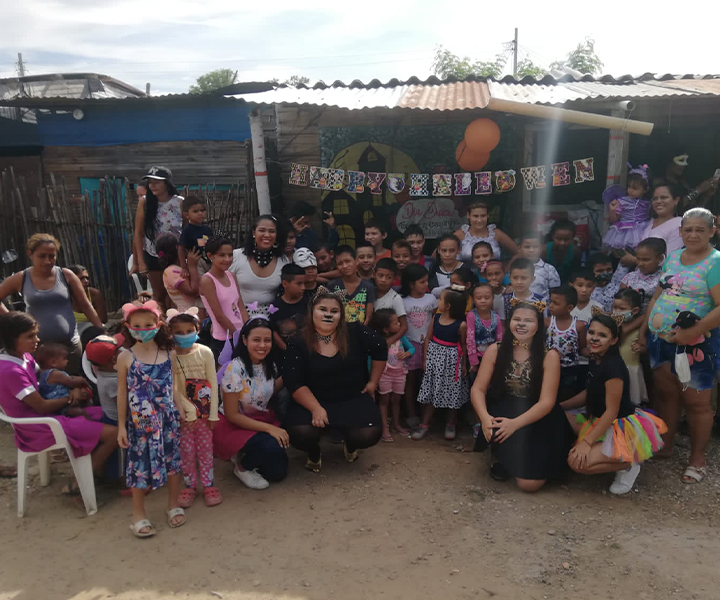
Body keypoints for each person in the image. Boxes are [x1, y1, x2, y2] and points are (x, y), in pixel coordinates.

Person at [638, 207, 720, 484]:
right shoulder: (673, 257)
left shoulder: (715, 262)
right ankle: (666, 444)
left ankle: (697, 458)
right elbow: (657, 296)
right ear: (681, 232)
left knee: (696, 402)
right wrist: (643, 331)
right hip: (661, 340)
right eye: (688, 229)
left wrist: (693, 331)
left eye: (700, 229)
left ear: (712, 231)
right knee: (666, 393)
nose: (693, 234)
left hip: (695, 344)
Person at [0, 312, 117, 497]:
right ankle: (77, 486)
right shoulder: (10, 370)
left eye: (35, 334)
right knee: (113, 433)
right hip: (39, 426)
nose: (37, 340)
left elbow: (48, 380)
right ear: (11, 339)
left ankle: (99, 474)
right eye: (30, 336)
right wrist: (72, 398)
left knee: (106, 415)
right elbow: (41, 407)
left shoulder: (25, 358)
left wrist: (70, 389)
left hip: (50, 415)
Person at [471, 302, 573, 491]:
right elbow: (478, 389)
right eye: (517, 319)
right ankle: (501, 455)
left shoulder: (549, 356)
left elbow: (547, 402)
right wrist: (485, 418)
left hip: (538, 416)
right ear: (509, 322)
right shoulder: (496, 349)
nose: (521, 324)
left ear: (539, 325)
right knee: (497, 426)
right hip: (505, 408)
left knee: (529, 485)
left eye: (528, 321)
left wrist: (515, 424)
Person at [283, 288, 387, 472]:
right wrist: (315, 408)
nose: (328, 315)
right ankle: (313, 451)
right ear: (312, 312)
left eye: (334, 311)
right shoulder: (297, 342)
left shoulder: (355, 332)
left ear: (341, 315)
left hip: (351, 397)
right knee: (301, 432)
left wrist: (373, 382)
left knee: (368, 433)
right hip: (312, 399)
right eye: (323, 309)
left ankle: (351, 443)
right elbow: (294, 382)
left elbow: (380, 346)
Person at [567, 314, 667, 494]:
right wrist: (559, 405)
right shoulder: (596, 356)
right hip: (597, 419)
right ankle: (609, 455)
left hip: (617, 425)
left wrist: (587, 443)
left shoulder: (613, 368)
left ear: (613, 340)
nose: (595, 338)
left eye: (602, 335)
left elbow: (611, 412)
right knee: (561, 415)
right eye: (591, 332)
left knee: (577, 463)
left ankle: (628, 464)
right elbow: (589, 392)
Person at [116, 300, 184, 537]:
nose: (142, 329)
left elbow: (173, 386)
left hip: (167, 419)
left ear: (158, 324)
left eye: (148, 324)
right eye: (137, 325)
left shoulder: (169, 354)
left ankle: (173, 504)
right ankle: (138, 515)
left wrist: (180, 407)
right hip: (139, 423)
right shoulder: (125, 357)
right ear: (128, 326)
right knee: (138, 466)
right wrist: (121, 427)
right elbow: (122, 393)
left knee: (173, 461)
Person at [0, 234, 102, 374]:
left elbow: (86, 305)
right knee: (44, 388)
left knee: (75, 386)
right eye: (42, 256)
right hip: (38, 350)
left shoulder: (66, 275)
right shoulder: (21, 278)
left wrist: (102, 331)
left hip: (69, 347)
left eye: (52, 256)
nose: (48, 261)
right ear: (30, 254)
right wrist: (14, 321)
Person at [214, 317, 288, 487]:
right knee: (272, 444)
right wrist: (271, 429)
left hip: (259, 419)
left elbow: (267, 390)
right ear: (245, 340)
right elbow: (232, 415)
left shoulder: (270, 365)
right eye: (256, 340)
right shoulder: (235, 368)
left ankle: (246, 452)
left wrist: (294, 372)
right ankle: (242, 467)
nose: (262, 345)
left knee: (278, 472)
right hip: (234, 424)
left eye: (267, 340)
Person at [168, 308, 222, 508]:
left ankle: (208, 485)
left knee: (206, 450)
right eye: (179, 332)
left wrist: (214, 414)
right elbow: (173, 388)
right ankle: (190, 486)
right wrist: (185, 412)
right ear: (170, 333)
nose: (184, 335)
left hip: (205, 414)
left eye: (189, 330)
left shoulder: (205, 352)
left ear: (197, 329)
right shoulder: (170, 357)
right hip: (183, 416)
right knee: (186, 452)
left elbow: (213, 383)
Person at [412, 287, 469, 441]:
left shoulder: (461, 325)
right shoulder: (436, 318)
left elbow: (463, 345)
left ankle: (451, 423)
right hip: (434, 360)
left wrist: (463, 365)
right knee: (432, 391)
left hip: (452, 362)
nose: (438, 302)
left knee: (453, 392)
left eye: (441, 299)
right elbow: (429, 338)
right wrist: (425, 359)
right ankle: (425, 424)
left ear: (448, 305)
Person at [132, 166, 183, 308]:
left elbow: (186, 229)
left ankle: (175, 323)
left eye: (157, 182)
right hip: (153, 253)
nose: (152, 185)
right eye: (150, 182)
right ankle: (160, 325)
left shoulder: (179, 202)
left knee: (175, 293)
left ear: (167, 183)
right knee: (159, 294)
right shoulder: (145, 201)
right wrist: (140, 261)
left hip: (175, 255)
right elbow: (138, 232)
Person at [229, 214, 289, 316]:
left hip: (271, 317)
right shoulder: (236, 256)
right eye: (262, 230)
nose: (267, 235)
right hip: (237, 314)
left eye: (271, 231)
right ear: (253, 233)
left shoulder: (283, 261)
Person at [401, 264, 437, 430]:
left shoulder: (431, 299)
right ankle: (410, 413)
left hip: (429, 344)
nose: (425, 285)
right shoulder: (403, 301)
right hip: (410, 345)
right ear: (411, 283)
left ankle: (425, 415)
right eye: (421, 282)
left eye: (426, 281)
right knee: (410, 381)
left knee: (426, 380)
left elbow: (436, 319)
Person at [200, 237, 249, 360]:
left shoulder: (231, 275)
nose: (227, 259)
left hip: (241, 334)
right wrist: (238, 335)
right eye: (222, 255)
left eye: (230, 255)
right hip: (224, 338)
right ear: (211, 256)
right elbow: (219, 316)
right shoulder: (208, 281)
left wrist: (248, 328)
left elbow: (240, 306)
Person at [369, 308, 414, 442]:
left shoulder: (401, 338)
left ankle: (396, 423)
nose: (400, 324)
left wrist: (407, 354)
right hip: (384, 375)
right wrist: (372, 378)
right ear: (386, 329)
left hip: (400, 374)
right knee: (384, 401)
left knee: (396, 400)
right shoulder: (377, 341)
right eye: (395, 322)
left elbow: (411, 348)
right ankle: (384, 427)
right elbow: (371, 359)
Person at [545, 286, 587, 403]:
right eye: (550, 301)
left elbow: (582, 347)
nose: (551, 305)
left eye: (556, 303)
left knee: (566, 397)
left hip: (570, 370)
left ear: (569, 307)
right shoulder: (547, 323)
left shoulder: (578, 326)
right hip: (549, 368)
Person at [603, 164, 652, 252]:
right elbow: (613, 220)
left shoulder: (648, 202)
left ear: (645, 190)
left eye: (635, 188)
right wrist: (612, 210)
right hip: (625, 231)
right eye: (629, 187)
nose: (631, 190)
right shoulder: (623, 201)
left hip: (643, 229)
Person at [36, 343, 92, 418]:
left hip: (62, 402)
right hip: (62, 406)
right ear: (53, 362)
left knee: (87, 401)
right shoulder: (54, 373)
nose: (67, 361)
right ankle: (90, 423)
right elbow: (70, 382)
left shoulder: (45, 374)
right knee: (80, 412)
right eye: (64, 359)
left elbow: (68, 378)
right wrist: (82, 380)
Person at [611, 289, 647, 406]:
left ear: (635, 310)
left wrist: (641, 348)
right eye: (615, 307)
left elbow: (646, 348)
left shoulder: (639, 329)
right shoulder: (610, 326)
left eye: (621, 309)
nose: (616, 311)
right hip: (614, 370)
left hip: (631, 370)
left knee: (631, 401)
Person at [453, 201, 518, 261]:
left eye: (483, 216)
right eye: (475, 216)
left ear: (488, 215)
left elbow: (518, 252)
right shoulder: (460, 234)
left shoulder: (496, 234)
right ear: (468, 215)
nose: (479, 220)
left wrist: (506, 269)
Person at [631, 182, 683, 257]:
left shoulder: (679, 224)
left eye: (663, 197)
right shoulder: (648, 222)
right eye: (655, 199)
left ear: (676, 200)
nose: (658, 201)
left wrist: (633, 260)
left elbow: (671, 258)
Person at [327, 246, 375, 325]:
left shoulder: (368, 287)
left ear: (356, 261)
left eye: (348, 261)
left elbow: (368, 317)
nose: (345, 266)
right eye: (340, 263)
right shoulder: (332, 286)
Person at [158, 234, 203, 314]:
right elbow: (193, 292)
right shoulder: (170, 271)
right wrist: (192, 267)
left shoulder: (186, 265)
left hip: (200, 311)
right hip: (187, 315)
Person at [466, 282, 503, 378]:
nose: (483, 301)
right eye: (479, 298)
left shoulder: (496, 317)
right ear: (473, 299)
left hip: (492, 356)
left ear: (493, 298)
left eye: (487, 298)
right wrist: (473, 361)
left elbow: (499, 339)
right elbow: (470, 339)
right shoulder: (471, 316)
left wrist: (498, 358)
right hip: (476, 356)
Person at [620, 237, 665, 315]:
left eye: (646, 260)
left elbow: (653, 310)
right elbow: (618, 303)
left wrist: (640, 327)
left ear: (660, 258)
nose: (640, 263)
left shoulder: (662, 280)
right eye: (638, 259)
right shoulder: (629, 277)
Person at [85, 334, 123, 426]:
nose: (122, 351)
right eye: (119, 351)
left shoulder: (103, 371)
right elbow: (123, 405)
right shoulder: (111, 381)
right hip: (117, 420)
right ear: (114, 359)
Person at [270, 263, 309, 350]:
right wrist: (285, 349)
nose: (303, 287)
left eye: (304, 283)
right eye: (299, 284)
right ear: (285, 284)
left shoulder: (308, 303)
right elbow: (273, 330)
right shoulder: (276, 306)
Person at [374, 258, 408, 345]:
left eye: (388, 277)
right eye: (380, 275)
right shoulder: (369, 293)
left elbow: (404, 327)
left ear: (394, 279)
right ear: (374, 274)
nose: (383, 280)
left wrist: (389, 341)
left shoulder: (395, 298)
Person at [517, 232, 560, 301]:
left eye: (535, 247)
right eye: (527, 247)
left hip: (542, 309)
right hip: (520, 308)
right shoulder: (515, 268)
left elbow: (555, 292)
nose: (531, 250)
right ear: (519, 248)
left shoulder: (549, 269)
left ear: (541, 248)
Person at [178, 196, 213, 278]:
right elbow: (181, 248)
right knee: (201, 284)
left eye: (202, 210)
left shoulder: (207, 229)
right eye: (195, 211)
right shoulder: (187, 230)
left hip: (209, 260)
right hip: (196, 262)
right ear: (186, 215)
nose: (200, 213)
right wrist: (184, 267)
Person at [68, 265, 108, 334]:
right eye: (81, 279)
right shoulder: (65, 297)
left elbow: (103, 319)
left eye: (87, 278)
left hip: (92, 330)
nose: (86, 281)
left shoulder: (94, 294)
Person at [544, 219, 580, 284]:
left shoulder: (575, 252)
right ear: (553, 237)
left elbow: (576, 274)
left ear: (572, 238)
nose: (562, 243)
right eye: (559, 239)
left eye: (566, 239)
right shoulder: (544, 251)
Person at [429, 234, 464, 298]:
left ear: (459, 250)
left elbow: (466, 288)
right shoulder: (434, 268)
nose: (447, 254)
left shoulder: (465, 268)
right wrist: (452, 286)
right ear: (439, 250)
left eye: (452, 251)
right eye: (444, 251)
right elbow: (433, 291)